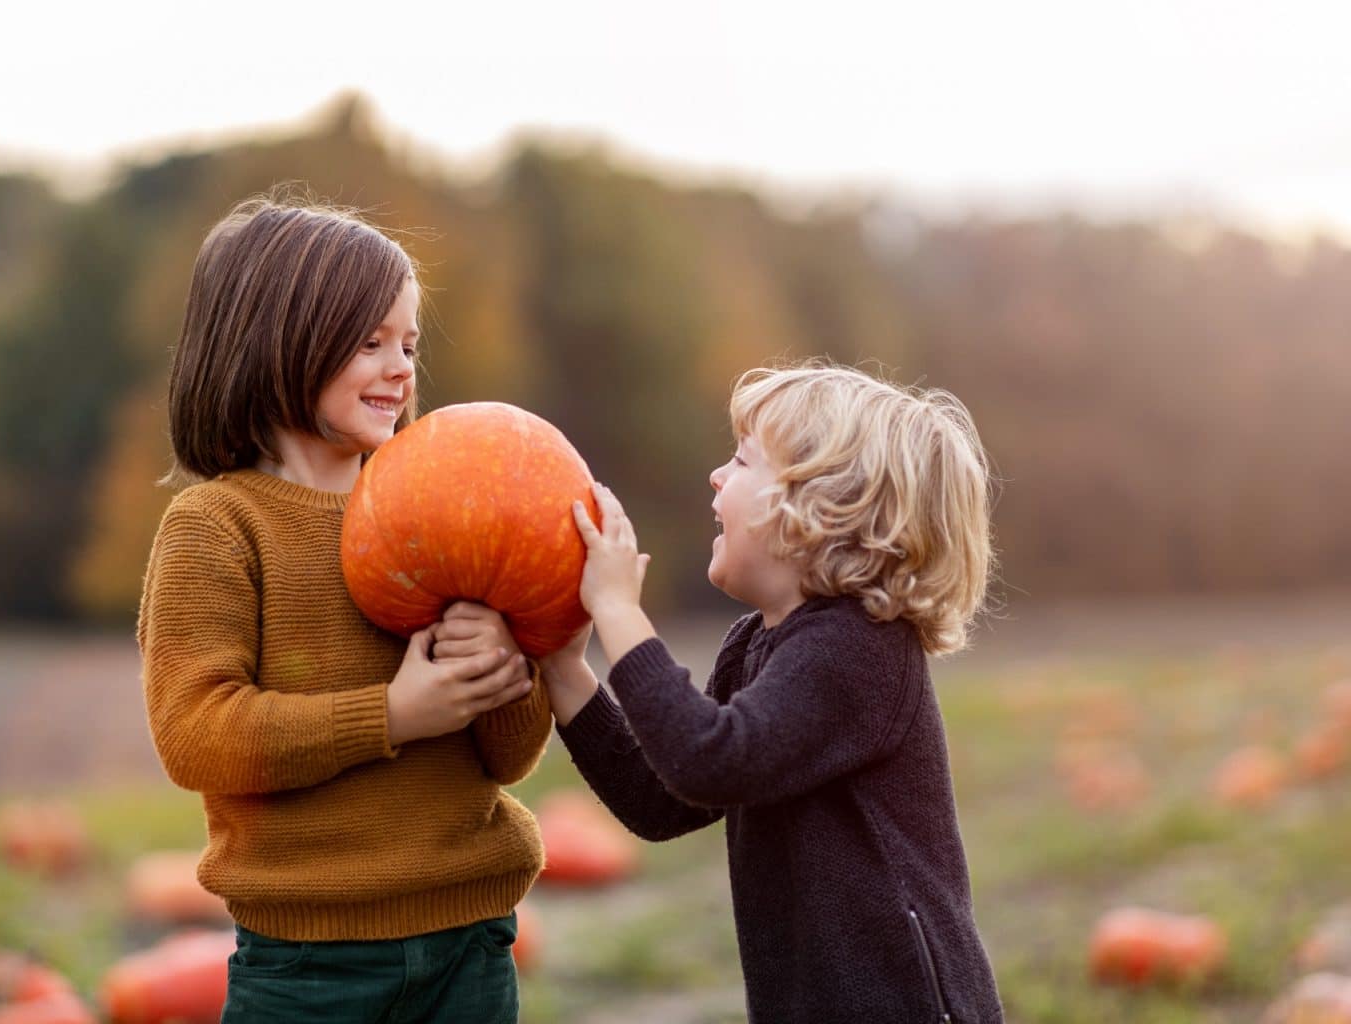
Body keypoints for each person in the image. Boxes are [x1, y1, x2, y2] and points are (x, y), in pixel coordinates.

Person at [137, 193, 550, 1024]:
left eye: (409, 343)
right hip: (305, 967)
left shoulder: (441, 510)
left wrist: (509, 659)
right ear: (278, 341)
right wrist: (392, 715)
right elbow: (197, 735)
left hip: (471, 939)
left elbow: (507, 756)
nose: (402, 367)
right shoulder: (218, 528)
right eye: (370, 343)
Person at [539, 362, 1005, 1023]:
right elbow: (662, 799)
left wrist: (619, 615)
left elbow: (711, 757)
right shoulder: (757, 643)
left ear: (819, 507)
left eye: (741, 460)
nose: (717, 476)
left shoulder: (860, 650)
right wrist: (566, 672)